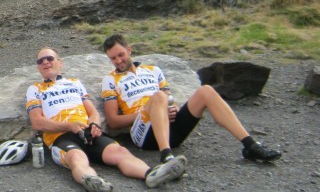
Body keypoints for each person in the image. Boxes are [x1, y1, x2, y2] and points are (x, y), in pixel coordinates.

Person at [100, 33, 282, 166]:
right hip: (145, 135)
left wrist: (172, 109)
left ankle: (250, 145)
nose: (118, 61)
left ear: (129, 50)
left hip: (172, 129)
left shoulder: (153, 70)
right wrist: (153, 110)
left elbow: (170, 101)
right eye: (113, 58)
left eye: (121, 55)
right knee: (158, 97)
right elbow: (113, 121)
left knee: (206, 91)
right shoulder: (110, 79)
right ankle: (166, 156)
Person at [26, 47, 186, 192]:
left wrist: (95, 124)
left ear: (59, 63)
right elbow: (37, 122)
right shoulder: (35, 89)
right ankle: (92, 181)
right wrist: (68, 126)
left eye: (49, 58)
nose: (45, 62)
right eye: (40, 61)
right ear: (38, 67)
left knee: (120, 152)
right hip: (60, 137)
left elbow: (93, 111)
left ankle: (152, 174)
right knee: (76, 158)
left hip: (88, 131)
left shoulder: (74, 82)